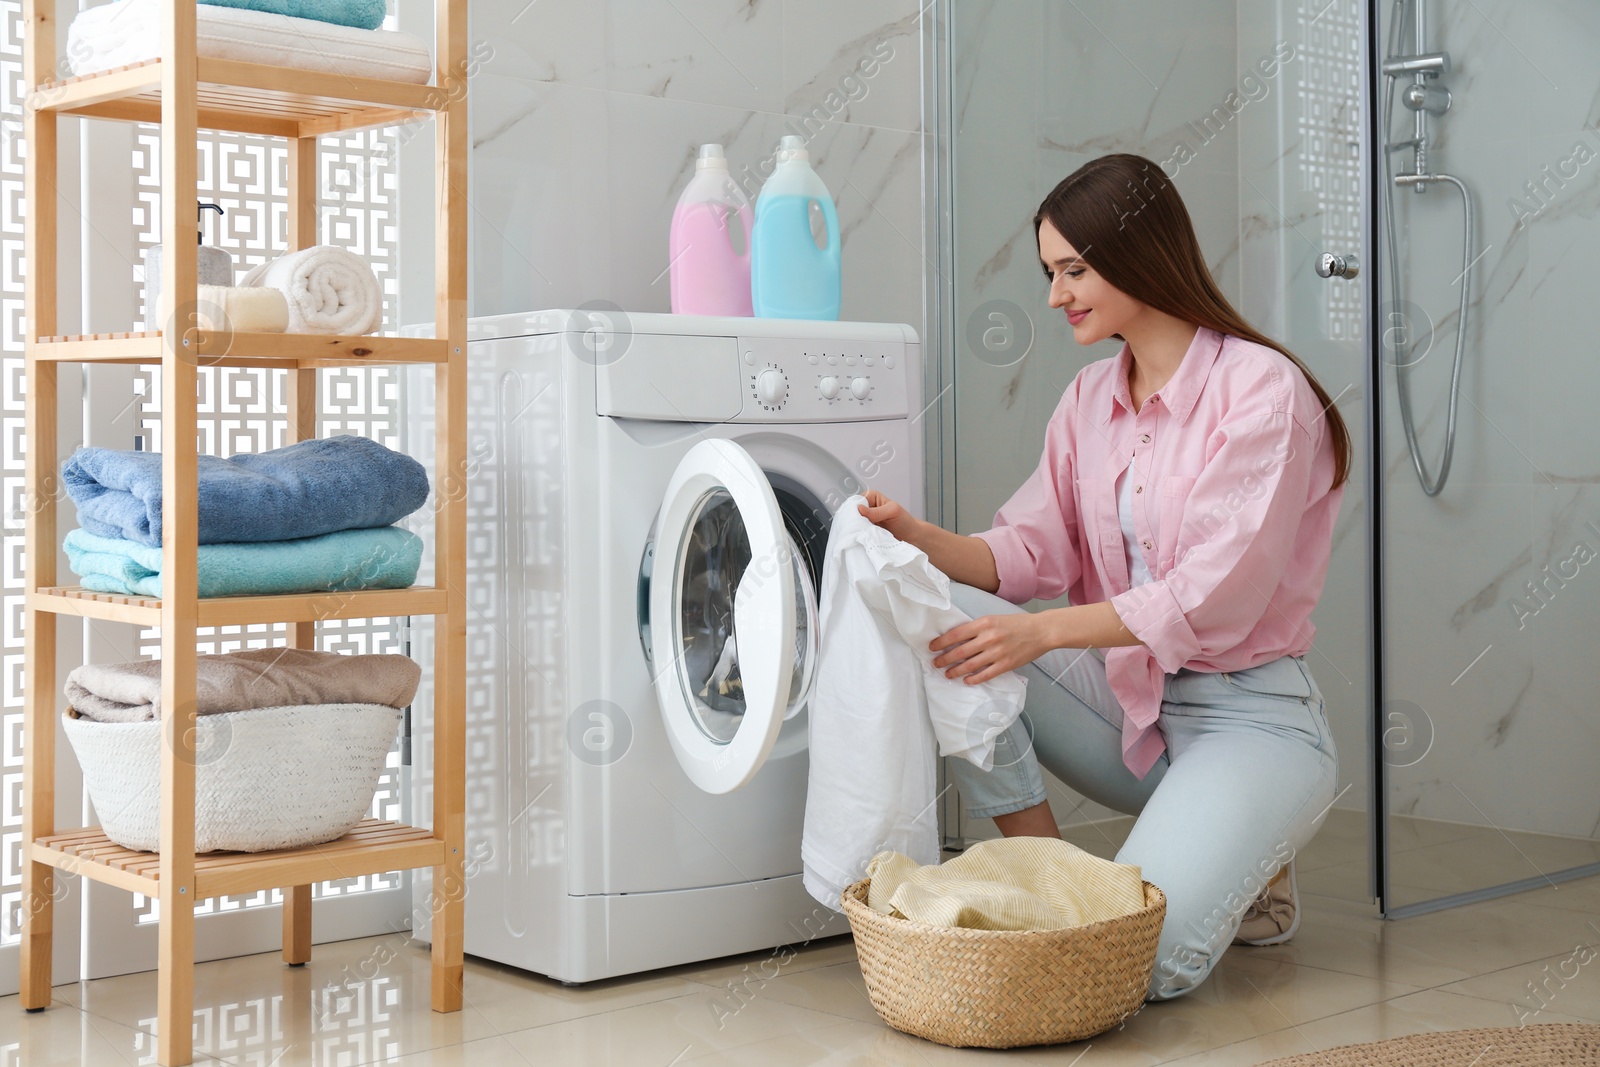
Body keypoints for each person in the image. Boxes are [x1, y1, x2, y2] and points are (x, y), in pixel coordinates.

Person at [859, 153, 1349, 999]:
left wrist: (1042, 631)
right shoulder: (1089, 399)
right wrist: (910, 534)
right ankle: (1050, 875)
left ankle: (1247, 835)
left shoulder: (1262, 392)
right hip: (1132, 712)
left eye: (1073, 271)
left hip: (1254, 721)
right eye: (1051, 273)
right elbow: (1021, 557)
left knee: (1132, 967)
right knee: (936, 610)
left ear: (1139, 254)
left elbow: (1212, 593)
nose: (1055, 297)